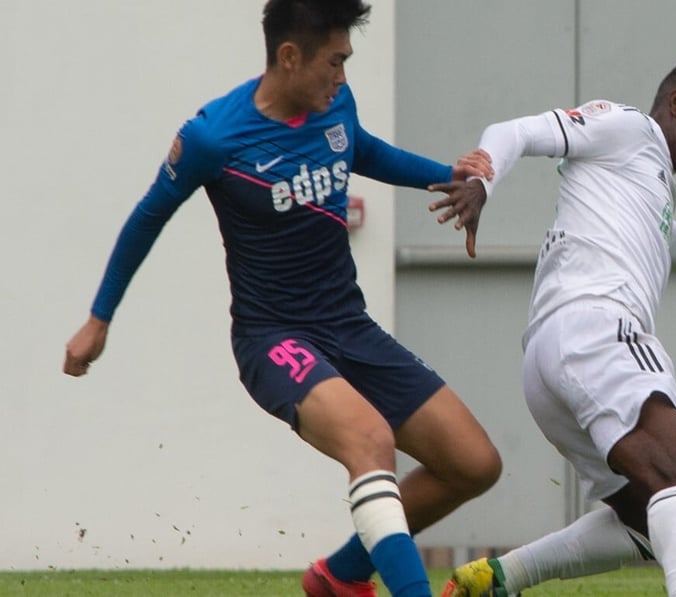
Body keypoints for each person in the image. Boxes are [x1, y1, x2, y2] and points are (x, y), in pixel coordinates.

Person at [62, 2, 502, 597]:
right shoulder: (213, 136)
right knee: (370, 442)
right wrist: (99, 319)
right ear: (289, 56)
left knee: (474, 463)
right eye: (334, 61)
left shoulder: (333, 107)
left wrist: (451, 178)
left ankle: (340, 576)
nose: (342, 77)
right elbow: (147, 218)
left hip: (350, 326)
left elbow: (364, 151)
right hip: (275, 339)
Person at [428, 59, 676, 596]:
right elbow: (516, 132)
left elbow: (668, 235)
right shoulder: (628, 126)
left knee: (645, 521)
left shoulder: (650, 176)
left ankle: (499, 579)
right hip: (596, 330)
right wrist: (481, 182)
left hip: (550, 360)